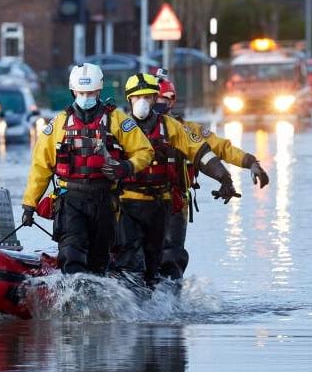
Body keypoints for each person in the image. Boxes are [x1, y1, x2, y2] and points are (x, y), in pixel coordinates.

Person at [21, 63, 154, 275]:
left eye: (90, 92)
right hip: (70, 200)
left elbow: (144, 151)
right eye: (82, 93)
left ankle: (97, 299)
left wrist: (126, 166)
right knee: (71, 253)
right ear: (73, 91)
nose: (86, 97)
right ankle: (71, 299)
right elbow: (40, 166)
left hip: (105, 200)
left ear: (99, 90)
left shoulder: (117, 119)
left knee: (99, 259)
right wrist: (30, 205)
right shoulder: (59, 123)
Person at [113, 73, 240, 284]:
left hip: (161, 205)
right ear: (129, 99)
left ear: (155, 98)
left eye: (147, 96)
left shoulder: (172, 127)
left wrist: (224, 178)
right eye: (137, 97)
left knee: (163, 261)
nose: (142, 102)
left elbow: (201, 153)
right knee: (130, 260)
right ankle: (132, 305)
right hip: (127, 204)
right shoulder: (117, 126)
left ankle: (164, 307)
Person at [153, 72, 269, 279]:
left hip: (174, 201)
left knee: (171, 255)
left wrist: (250, 162)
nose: (154, 104)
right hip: (134, 200)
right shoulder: (128, 128)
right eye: (150, 99)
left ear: (171, 101)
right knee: (129, 254)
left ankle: (169, 300)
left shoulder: (187, 130)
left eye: (160, 99)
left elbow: (222, 149)